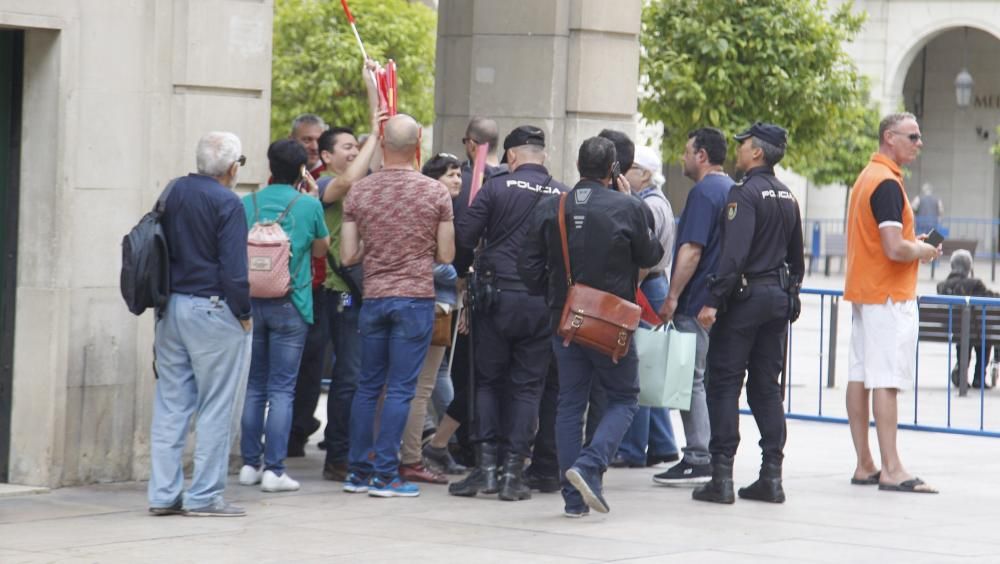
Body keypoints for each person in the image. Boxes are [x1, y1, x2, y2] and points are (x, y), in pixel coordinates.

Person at [519, 136, 664, 517]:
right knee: (623, 397)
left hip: (564, 321)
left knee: (570, 404)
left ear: (578, 165)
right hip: (611, 323)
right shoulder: (628, 207)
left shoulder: (554, 205)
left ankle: (573, 500)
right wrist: (631, 200)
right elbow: (652, 255)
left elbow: (528, 267)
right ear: (613, 169)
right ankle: (590, 464)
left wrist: (556, 295)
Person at [450, 125, 568, 501]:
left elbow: (463, 239)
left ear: (512, 156)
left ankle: (485, 470)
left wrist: (464, 272)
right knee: (528, 387)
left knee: (487, 382)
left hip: (495, 299)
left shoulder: (495, 188)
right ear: (543, 155)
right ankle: (513, 475)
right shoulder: (563, 194)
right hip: (541, 304)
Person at [341, 114, 455, 498]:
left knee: (368, 386)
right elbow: (446, 253)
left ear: (382, 142)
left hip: (374, 298)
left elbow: (348, 255)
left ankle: (358, 470)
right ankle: (386, 475)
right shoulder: (435, 193)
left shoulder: (359, 192)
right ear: (418, 142)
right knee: (402, 389)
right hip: (415, 299)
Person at [692, 122, 804, 505]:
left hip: (744, 301)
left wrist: (712, 300)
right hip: (776, 299)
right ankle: (771, 475)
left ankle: (721, 476)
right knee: (766, 388)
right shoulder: (788, 196)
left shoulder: (745, 194)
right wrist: (789, 293)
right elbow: (798, 260)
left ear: (757, 152)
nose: (738, 151)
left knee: (723, 383)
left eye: (743, 146)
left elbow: (734, 256)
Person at [147, 131, 252, 517]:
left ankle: (162, 494)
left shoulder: (172, 191)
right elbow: (235, 271)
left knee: (171, 405)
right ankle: (205, 496)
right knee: (215, 406)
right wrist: (243, 314)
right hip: (212, 309)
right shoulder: (228, 203)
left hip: (171, 308)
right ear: (231, 167)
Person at [844, 113, 941, 495]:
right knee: (886, 379)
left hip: (866, 291)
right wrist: (924, 249)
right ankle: (892, 468)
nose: (919, 142)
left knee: (860, 375)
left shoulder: (868, 176)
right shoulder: (886, 183)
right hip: (887, 295)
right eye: (913, 136)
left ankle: (865, 463)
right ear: (890, 138)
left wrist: (911, 242)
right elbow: (894, 247)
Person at [238, 140, 330, 493]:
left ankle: (250, 463)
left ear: (269, 167)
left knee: (255, 386)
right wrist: (311, 198)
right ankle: (275, 469)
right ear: (302, 170)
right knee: (282, 389)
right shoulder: (308, 205)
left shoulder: (249, 203)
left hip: (252, 302)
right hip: (293, 303)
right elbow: (322, 249)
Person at [654, 128, 730, 486]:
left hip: (696, 300)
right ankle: (715, 452)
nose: (683, 158)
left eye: (687, 152)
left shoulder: (703, 193)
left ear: (702, 156)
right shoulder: (734, 190)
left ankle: (698, 455)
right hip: (723, 304)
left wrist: (671, 297)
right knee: (713, 380)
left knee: (692, 380)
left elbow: (691, 250)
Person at [614, 144, 679, 469]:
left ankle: (633, 448)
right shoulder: (655, 202)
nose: (625, 173)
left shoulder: (648, 207)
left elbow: (643, 255)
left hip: (645, 285)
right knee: (649, 370)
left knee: (637, 371)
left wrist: (628, 287)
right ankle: (663, 443)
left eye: (632, 167)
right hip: (653, 286)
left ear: (646, 174)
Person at [937, 249, 997, 389]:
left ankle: (962, 373)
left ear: (952, 266)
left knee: (963, 332)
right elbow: (990, 298)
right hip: (976, 331)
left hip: (955, 330)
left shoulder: (941, 286)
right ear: (969, 267)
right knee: (983, 336)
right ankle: (979, 377)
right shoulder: (975, 283)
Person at [290, 113, 328, 179]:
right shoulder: (281, 175)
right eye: (307, 140)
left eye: (320, 140)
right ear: (291, 140)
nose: (315, 147)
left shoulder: (330, 178)